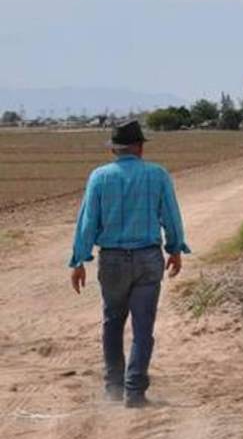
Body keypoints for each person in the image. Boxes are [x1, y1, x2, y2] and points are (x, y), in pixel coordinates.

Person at [69, 120, 190, 408]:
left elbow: (87, 222)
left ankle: (113, 388)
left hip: (111, 260)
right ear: (140, 147)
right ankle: (134, 392)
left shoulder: (99, 177)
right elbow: (171, 217)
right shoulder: (157, 175)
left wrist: (78, 260)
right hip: (148, 258)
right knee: (143, 327)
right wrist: (175, 248)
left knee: (112, 323)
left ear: (114, 150)